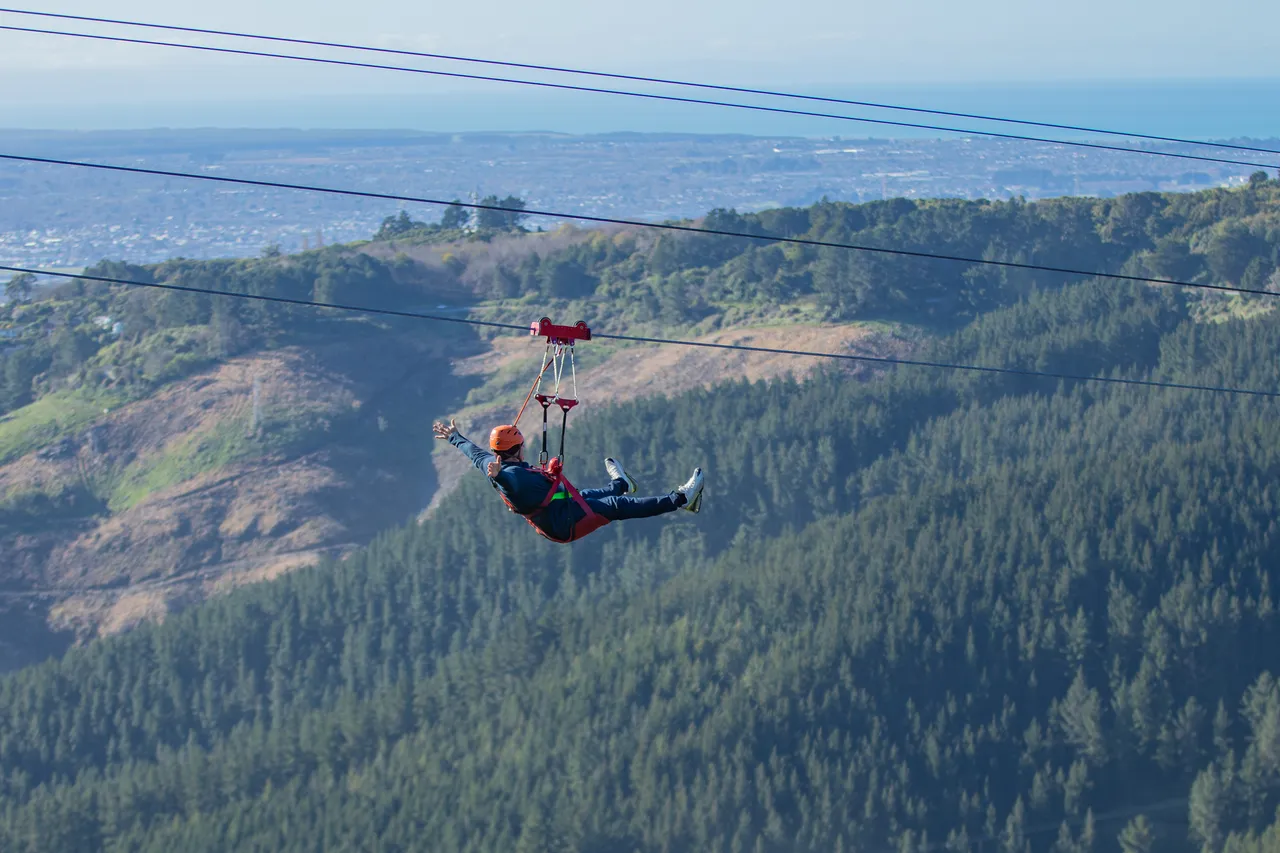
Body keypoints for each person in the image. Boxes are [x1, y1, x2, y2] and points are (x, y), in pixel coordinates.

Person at [432, 418, 704, 542]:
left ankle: (621, 484)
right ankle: (681, 499)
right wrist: (499, 475)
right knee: (614, 507)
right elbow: (510, 482)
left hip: (557, 509)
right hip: (561, 524)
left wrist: (455, 436)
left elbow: (473, 452)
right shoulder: (510, 475)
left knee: (587, 495)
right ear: (518, 448)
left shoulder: (493, 463)